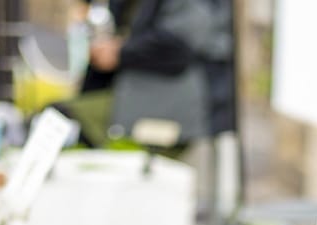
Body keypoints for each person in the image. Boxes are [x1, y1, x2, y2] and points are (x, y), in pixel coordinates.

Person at [67, 0, 226, 152]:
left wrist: (120, 52)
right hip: (133, 96)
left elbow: (179, 45)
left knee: (61, 121)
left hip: (171, 104)